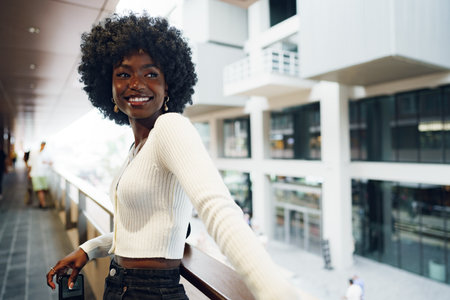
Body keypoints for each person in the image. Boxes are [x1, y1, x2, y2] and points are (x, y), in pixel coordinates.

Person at [46, 13, 299, 300]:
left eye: (151, 74)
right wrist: (89, 250)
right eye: (124, 74)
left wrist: (278, 292)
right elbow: (136, 233)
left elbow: (218, 208)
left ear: (169, 86)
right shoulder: (137, 149)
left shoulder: (171, 127)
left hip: (151, 292)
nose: (137, 83)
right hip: (118, 284)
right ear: (109, 85)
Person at [29, 141, 52, 208]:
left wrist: (29, 173)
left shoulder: (42, 153)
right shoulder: (44, 154)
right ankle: (43, 203)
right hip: (40, 174)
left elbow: (29, 164)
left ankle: (42, 203)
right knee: (40, 190)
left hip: (39, 174)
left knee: (41, 190)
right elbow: (30, 164)